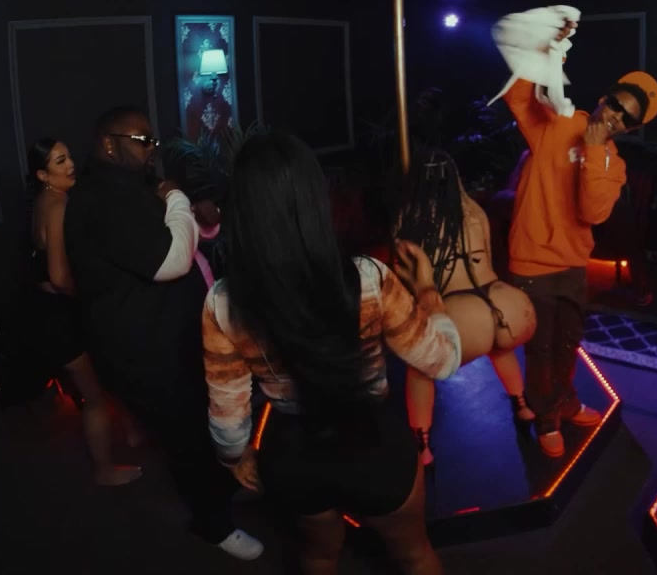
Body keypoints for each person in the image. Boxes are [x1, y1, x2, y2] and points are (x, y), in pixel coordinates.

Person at [203, 131, 459, 575]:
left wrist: (235, 457)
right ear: (314, 200)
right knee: (414, 554)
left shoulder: (223, 301)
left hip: (295, 457)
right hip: (374, 446)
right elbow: (442, 360)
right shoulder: (369, 279)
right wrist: (429, 295)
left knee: (318, 556)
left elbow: (228, 413)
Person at [64, 107, 261, 560]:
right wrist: (176, 197)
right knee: (188, 434)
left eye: (152, 140)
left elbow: (181, 236)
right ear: (109, 143)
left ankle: (223, 490)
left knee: (204, 420)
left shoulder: (129, 186)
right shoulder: (101, 198)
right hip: (145, 347)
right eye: (142, 140)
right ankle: (213, 525)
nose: (151, 148)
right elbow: (171, 260)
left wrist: (192, 214)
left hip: (170, 337)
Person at [491, 8, 657, 457]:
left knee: (568, 343)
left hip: (572, 265)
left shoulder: (613, 165)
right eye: (616, 105)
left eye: (626, 119)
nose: (615, 117)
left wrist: (594, 149)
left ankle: (564, 403)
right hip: (531, 260)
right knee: (542, 347)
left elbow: (591, 211)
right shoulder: (558, 123)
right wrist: (550, 46)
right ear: (605, 99)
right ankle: (546, 417)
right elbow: (520, 96)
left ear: (630, 129)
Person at [394, 150, 538, 465]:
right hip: (508, 307)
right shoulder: (475, 211)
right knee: (501, 347)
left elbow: (407, 279)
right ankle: (522, 404)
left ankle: (422, 445)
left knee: (419, 367)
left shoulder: (411, 218)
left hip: (464, 316)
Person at [26, 137, 141, 486]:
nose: (71, 164)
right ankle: (104, 470)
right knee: (94, 397)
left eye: (69, 157)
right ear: (43, 174)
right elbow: (60, 278)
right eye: (60, 161)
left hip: (51, 312)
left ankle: (133, 432)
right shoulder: (57, 206)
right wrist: (92, 294)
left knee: (108, 373)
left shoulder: (44, 201)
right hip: (59, 318)